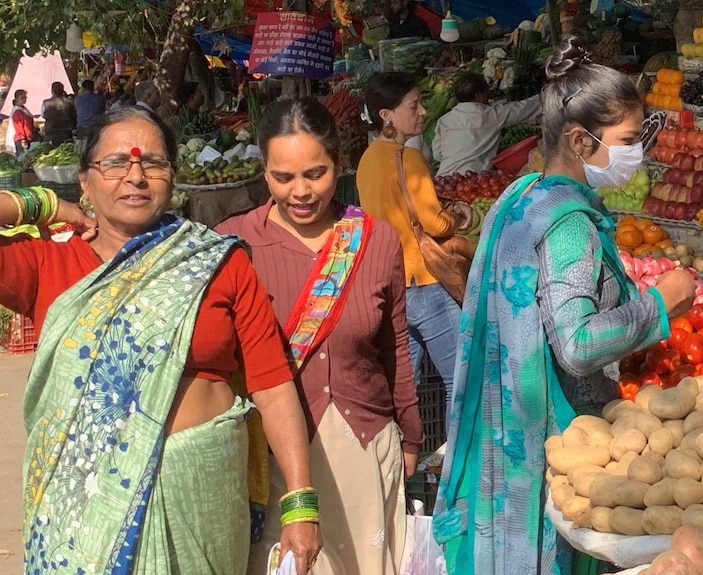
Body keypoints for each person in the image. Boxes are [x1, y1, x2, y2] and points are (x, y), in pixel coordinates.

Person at [1, 107, 322, 574]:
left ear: (173, 179)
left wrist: (300, 502)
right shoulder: (48, 264)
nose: (136, 176)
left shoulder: (216, 262)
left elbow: (272, 386)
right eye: (115, 164)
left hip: (201, 496)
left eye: (152, 163)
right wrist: (44, 203)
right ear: (84, 182)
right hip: (84, 505)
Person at [432, 36, 697, 575]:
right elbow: (577, 344)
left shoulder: (524, 194)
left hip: (506, 426)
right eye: (626, 141)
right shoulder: (569, 224)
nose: (635, 154)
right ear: (580, 141)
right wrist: (658, 306)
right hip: (555, 437)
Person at [217, 98, 422, 575]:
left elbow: (395, 349)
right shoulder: (234, 245)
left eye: (316, 173)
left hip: (364, 442)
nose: (301, 192)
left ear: (339, 164)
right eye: (282, 177)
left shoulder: (375, 240)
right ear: (262, 172)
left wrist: (411, 438)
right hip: (273, 461)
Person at [357, 72, 468, 426]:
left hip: (392, 286)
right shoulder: (407, 158)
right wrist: (456, 217)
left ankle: (407, 460)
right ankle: (456, 464)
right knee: (458, 378)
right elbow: (434, 225)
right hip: (426, 283)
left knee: (406, 386)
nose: (422, 111)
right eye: (413, 105)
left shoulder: (366, 161)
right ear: (385, 114)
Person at [433, 73, 542, 176]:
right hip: (473, 181)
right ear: (479, 96)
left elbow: (437, 154)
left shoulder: (444, 120)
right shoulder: (489, 115)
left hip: (444, 180)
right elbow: (523, 109)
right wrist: (547, 95)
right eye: (487, 93)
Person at [41, 81, 76, 146]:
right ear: (63, 91)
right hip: (66, 133)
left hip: (51, 133)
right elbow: (74, 116)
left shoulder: (45, 103)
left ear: (52, 91)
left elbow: (43, 115)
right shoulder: (70, 102)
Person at [11, 89, 36, 154]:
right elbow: (19, 127)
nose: (24, 99)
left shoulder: (23, 109)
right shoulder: (17, 111)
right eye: (22, 98)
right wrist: (23, 139)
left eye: (25, 97)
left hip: (28, 138)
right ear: (16, 99)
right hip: (21, 139)